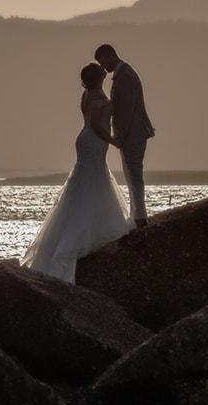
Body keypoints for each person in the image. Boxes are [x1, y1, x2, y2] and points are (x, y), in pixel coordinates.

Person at [22, 63, 134, 282]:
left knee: (88, 180)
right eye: (100, 70)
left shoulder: (87, 94)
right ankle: (82, 235)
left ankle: (89, 225)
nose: (104, 70)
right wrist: (113, 140)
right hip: (94, 140)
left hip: (86, 141)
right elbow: (95, 124)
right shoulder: (95, 97)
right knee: (93, 180)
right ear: (97, 77)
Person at [94, 43, 154, 227]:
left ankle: (140, 218)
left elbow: (126, 110)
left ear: (110, 55)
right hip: (132, 133)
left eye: (102, 62)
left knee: (134, 174)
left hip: (132, 133)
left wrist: (120, 136)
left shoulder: (125, 76)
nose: (103, 67)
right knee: (131, 174)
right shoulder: (123, 74)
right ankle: (138, 215)